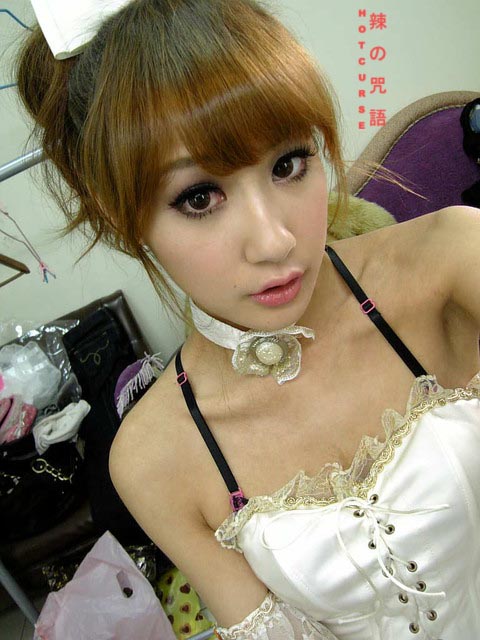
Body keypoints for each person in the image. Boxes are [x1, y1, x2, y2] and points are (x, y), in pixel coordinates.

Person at [17, 1, 480, 638]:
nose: (274, 241)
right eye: (198, 197)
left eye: (288, 163)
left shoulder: (455, 260)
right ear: (122, 216)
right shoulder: (154, 459)